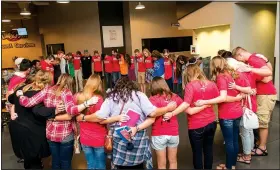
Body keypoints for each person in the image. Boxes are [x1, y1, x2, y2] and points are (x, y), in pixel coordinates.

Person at [86, 76, 177, 169]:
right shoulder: (140, 95)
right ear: (133, 85)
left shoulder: (111, 97)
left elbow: (100, 116)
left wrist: (84, 117)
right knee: (138, 165)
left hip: (119, 138)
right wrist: (167, 108)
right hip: (138, 138)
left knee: (120, 165)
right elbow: (153, 113)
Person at [16, 74, 99, 169]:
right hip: (65, 134)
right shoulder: (66, 92)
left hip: (51, 133)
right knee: (65, 163)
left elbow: (28, 102)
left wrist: (21, 95)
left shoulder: (47, 90)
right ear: (71, 83)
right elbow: (71, 111)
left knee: (55, 161)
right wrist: (87, 103)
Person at [194, 56, 251, 170]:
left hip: (227, 114)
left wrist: (204, 101)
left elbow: (223, 97)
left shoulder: (221, 77)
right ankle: (232, 165)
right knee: (234, 140)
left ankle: (229, 167)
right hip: (237, 112)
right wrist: (237, 98)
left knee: (229, 142)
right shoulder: (232, 74)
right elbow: (243, 91)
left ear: (214, 66)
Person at [162, 64, 219, 169]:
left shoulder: (190, 85)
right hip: (211, 122)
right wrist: (206, 104)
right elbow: (218, 99)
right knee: (208, 150)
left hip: (196, 125)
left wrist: (172, 113)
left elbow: (186, 105)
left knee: (197, 153)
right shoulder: (211, 84)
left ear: (187, 75)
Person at [8, 70, 63, 169]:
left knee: (27, 160)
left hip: (17, 128)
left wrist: (13, 111)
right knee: (35, 163)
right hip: (32, 132)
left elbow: (11, 99)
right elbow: (38, 111)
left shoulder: (22, 88)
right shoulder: (39, 94)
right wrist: (55, 110)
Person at [75, 74, 129, 169]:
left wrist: (83, 117)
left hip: (84, 138)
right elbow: (101, 120)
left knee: (90, 165)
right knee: (100, 166)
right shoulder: (98, 99)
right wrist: (117, 117)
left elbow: (74, 112)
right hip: (98, 138)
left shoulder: (79, 97)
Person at [232, 47, 277, 157]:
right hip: (264, 94)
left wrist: (249, 71)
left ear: (240, 55)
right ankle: (259, 143)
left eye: (239, 60)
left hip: (265, 95)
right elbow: (268, 71)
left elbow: (268, 74)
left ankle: (262, 148)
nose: (240, 62)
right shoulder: (255, 58)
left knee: (262, 123)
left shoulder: (253, 60)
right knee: (261, 122)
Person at [149, 77, 183, 169]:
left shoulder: (152, 99)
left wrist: (169, 111)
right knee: (173, 161)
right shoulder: (174, 96)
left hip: (158, 134)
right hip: (173, 133)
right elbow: (184, 106)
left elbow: (151, 114)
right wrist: (172, 112)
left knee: (161, 164)